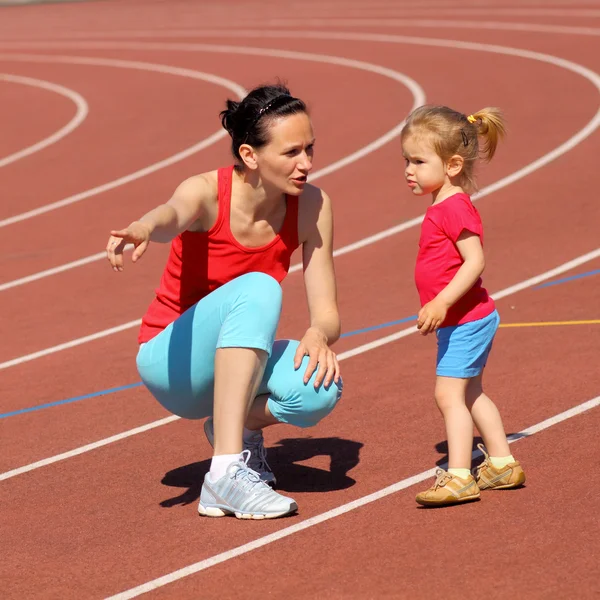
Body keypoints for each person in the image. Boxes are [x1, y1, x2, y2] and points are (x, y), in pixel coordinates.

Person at [106, 83, 343, 520]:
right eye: (291, 152)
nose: (306, 164)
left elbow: (327, 312)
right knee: (261, 287)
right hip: (173, 362)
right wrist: (144, 226)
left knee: (319, 387)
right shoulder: (207, 192)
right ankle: (225, 475)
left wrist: (317, 334)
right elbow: (171, 213)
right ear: (250, 155)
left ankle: (236, 428)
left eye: (310, 149)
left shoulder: (312, 206)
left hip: (232, 361)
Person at [400, 105, 526, 507]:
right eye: (407, 160)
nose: (409, 169)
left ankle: (458, 476)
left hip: (466, 318)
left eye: (419, 161)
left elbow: (475, 261)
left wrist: (441, 301)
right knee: (470, 393)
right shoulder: (442, 203)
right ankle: (503, 463)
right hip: (464, 320)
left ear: (452, 165)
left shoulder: (453, 207)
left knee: (448, 395)